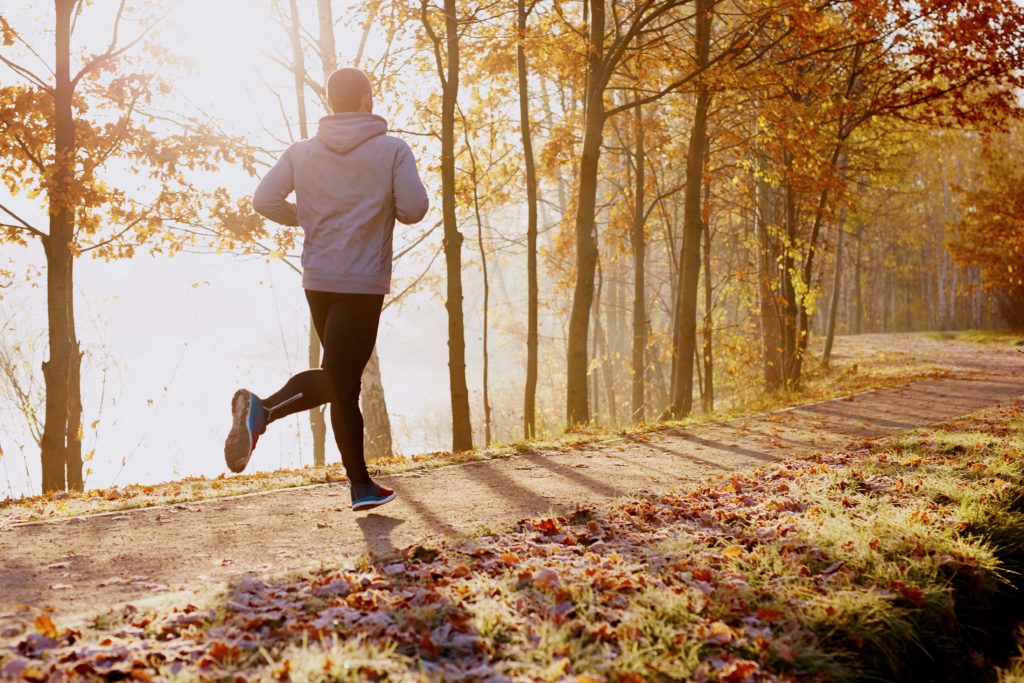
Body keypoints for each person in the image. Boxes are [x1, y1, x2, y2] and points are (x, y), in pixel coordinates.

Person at [223, 67, 429, 512]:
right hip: (361, 281)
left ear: (332, 103)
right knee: (342, 378)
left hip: (318, 278)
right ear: (367, 100)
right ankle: (266, 411)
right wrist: (375, 206)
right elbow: (414, 208)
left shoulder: (302, 152)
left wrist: (312, 216)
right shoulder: (392, 151)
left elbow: (264, 201)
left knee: (341, 378)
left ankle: (359, 484)